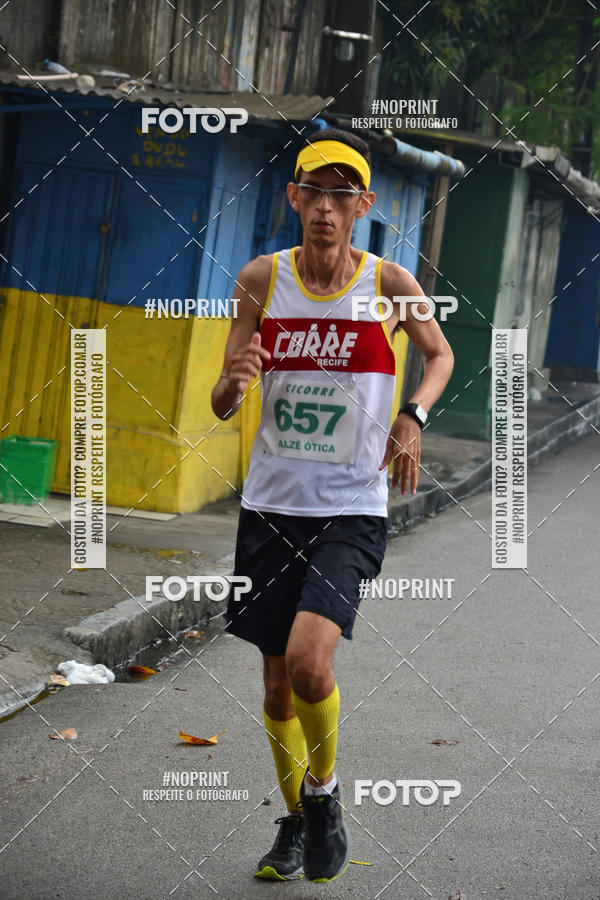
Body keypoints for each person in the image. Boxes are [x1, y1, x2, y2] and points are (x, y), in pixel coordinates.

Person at [211, 128, 454, 883]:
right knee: (277, 683)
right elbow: (222, 401)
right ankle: (295, 824)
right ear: (294, 198)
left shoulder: (389, 283)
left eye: (341, 194)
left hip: (350, 505)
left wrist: (412, 415)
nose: (326, 206)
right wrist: (236, 380)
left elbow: (440, 354)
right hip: (271, 505)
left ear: (363, 206)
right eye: (314, 190)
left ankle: (325, 796)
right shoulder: (260, 278)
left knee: (313, 664)